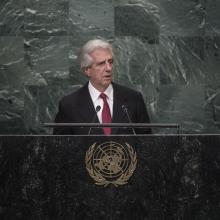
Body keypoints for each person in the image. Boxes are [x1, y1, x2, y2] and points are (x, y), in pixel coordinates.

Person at [53, 39, 151, 135]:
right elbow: (60, 147)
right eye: (101, 63)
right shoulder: (69, 105)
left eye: (110, 62)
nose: (108, 68)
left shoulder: (133, 98)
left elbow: (147, 142)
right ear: (87, 70)